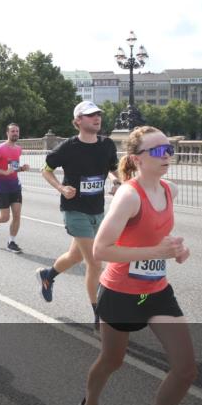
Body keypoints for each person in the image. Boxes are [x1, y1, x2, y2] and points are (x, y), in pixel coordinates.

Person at [75, 126, 193, 405]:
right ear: (136, 159)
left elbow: (160, 236)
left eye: (169, 148)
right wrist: (157, 251)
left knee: (186, 369)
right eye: (158, 151)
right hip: (120, 293)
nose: (166, 156)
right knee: (113, 360)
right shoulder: (129, 196)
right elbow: (100, 250)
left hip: (156, 291)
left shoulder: (171, 190)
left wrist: (177, 249)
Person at [37, 101, 120, 330]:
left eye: (98, 114)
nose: (97, 118)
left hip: (97, 209)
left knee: (74, 256)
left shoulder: (107, 145)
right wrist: (61, 188)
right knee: (95, 262)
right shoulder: (68, 148)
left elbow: (113, 168)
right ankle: (99, 314)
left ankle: (47, 275)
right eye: (90, 115)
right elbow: (46, 170)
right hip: (74, 210)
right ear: (78, 122)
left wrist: (115, 180)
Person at [0, 123, 31, 253]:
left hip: (15, 187)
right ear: (7, 133)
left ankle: (11, 242)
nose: (15, 133)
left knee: (17, 215)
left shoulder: (18, 149)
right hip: (2, 188)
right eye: (13, 131)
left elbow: (14, 168)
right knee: (5, 217)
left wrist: (22, 168)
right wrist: (4, 172)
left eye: (17, 131)